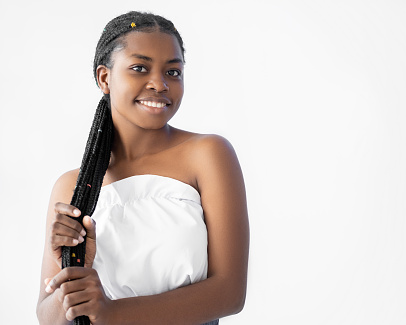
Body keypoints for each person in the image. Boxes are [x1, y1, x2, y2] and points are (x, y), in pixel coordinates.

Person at [36, 11, 249, 325]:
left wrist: (113, 313)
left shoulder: (208, 155)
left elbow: (229, 293)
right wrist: (71, 269)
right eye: (139, 68)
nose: (159, 84)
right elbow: (47, 317)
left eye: (173, 72)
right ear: (104, 78)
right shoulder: (74, 187)